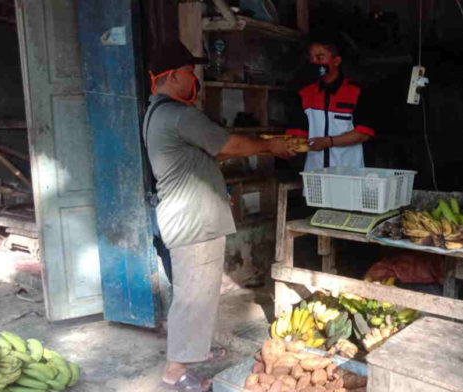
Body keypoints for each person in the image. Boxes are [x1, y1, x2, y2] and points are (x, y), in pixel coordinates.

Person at [144, 40, 295, 392]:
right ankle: (175, 371)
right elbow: (228, 145)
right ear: (173, 76)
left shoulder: (159, 113)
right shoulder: (180, 115)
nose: (193, 78)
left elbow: (206, 156)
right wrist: (270, 146)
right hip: (192, 221)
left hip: (191, 216)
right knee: (193, 295)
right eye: (189, 72)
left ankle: (192, 351)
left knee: (199, 291)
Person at [287, 33, 376, 170]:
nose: (314, 63)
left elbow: (363, 134)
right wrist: (288, 145)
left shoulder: (357, 92)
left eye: (320, 58)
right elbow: (297, 133)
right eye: (311, 58)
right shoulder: (304, 93)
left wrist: (329, 142)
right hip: (315, 174)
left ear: (336, 61)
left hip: (350, 173)